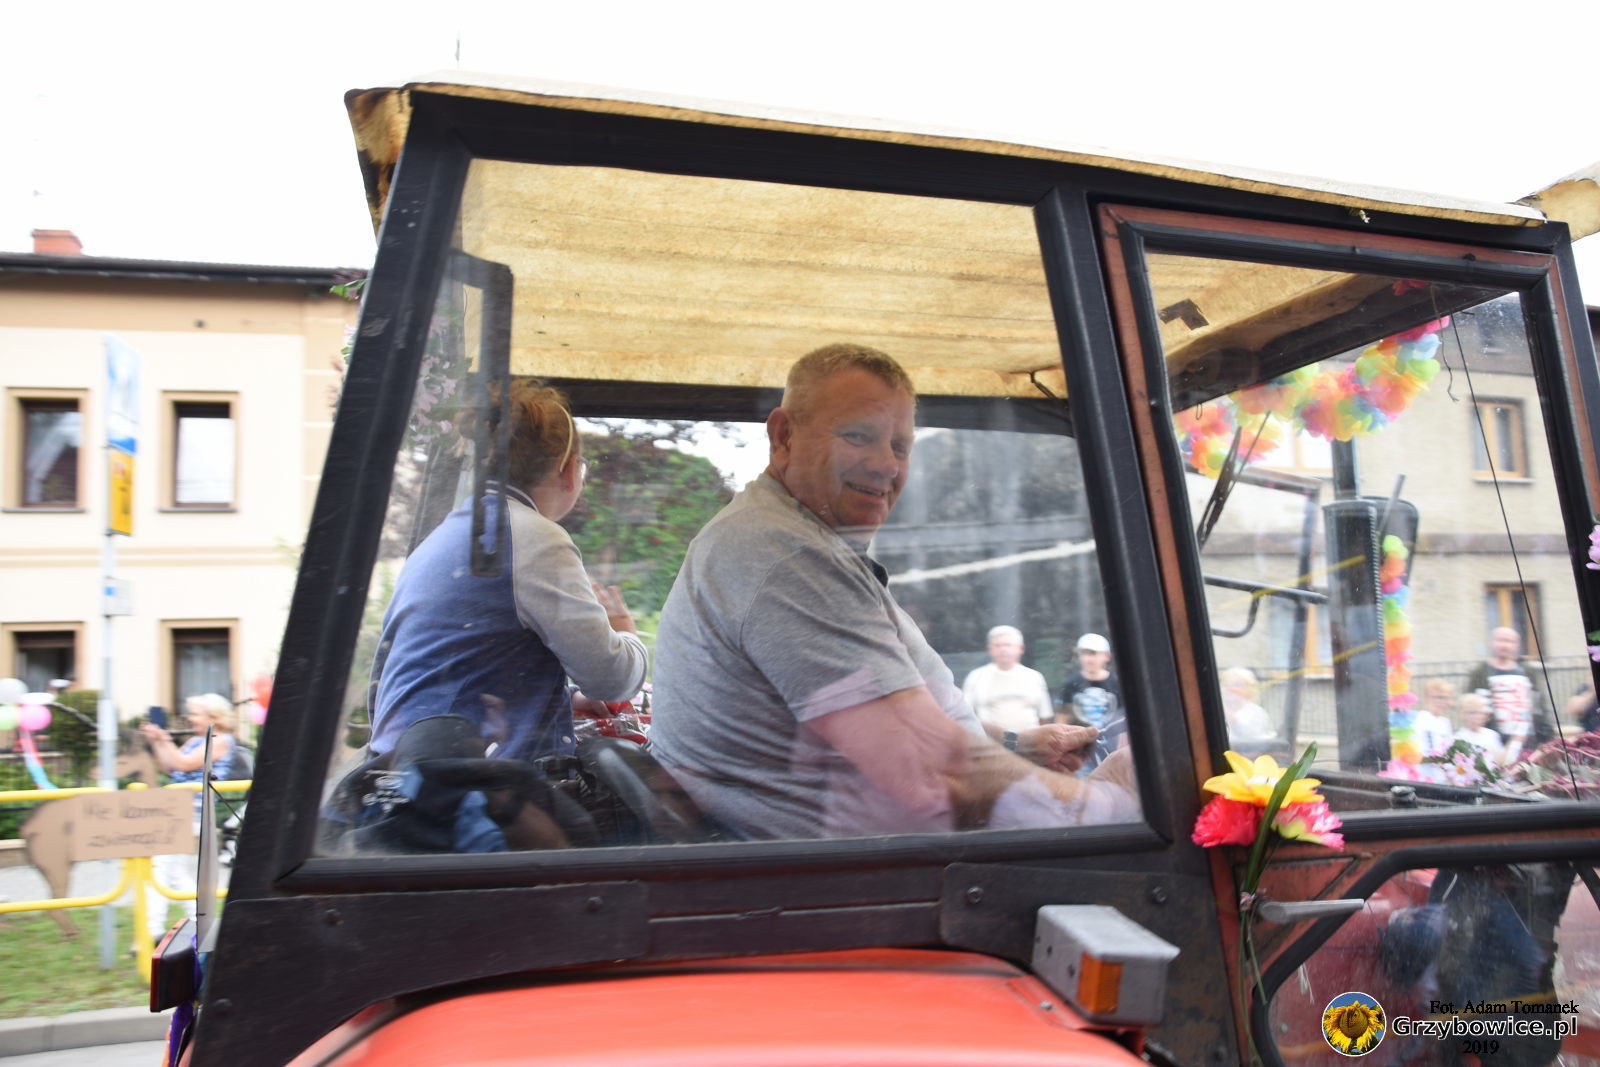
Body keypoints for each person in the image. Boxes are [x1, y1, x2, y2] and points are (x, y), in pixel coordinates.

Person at [651, 343, 1137, 840]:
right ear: (784, 435)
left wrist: (1017, 745)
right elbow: (929, 778)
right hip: (861, 874)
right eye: (858, 436)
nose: (886, 464)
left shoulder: (797, 541)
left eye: (900, 447)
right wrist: (1109, 799)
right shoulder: (788, 558)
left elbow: (896, 719)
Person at [368, 381, 646, 763]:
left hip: (418, 762)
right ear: (569, 470)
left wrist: (563, 698)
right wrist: (625, 635)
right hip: (463, 781)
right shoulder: (534, 539)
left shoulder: (451, 533)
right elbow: (611, 678)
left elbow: (472, 670)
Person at [138, 693, 236, 942]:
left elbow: (183, 764)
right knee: (174, 870)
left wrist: (165, 740)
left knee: (160, 868)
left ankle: (151, 931)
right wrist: (158, 742)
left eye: (195, 714)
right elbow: (169, 767)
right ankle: (200, 923)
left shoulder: (220, 740)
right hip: (177, 808)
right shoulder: (196, 740)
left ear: (214, 718)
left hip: (191, 811)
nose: (190, 718)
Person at [1464, 627, 1555, 764]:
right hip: (1493, 743)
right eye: (1501, 640)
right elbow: (1470, 705)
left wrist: (1547, 738)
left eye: (1509, 641)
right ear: (1492, 643)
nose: (1504, 645)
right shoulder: (1480, 672)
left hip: (1527, 743)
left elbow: (1538, 705)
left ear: (1517, 646)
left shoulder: (1527, 671)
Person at [961, 626, 1054, 733]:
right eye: (997, 645)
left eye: (1008, 645)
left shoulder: (1035, 677)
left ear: (1021, 649)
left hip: (1030, 742)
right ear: (990, 649)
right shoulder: (976, 677)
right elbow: (964, 715)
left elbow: (1045, 716)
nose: (1003, 649)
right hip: (989, 742)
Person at [1057, 633, 1122, 731]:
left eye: (1093, 654)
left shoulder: (1117, 683)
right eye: (1084, 653)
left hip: (1112, 737)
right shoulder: (1071, 683)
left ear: (1107, 656)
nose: (1088, 659)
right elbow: (1062, 718)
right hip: (1079, 738)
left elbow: (1123, 717)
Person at [1220, 667, 1273, 743]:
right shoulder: (1219, 709)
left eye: (1236, 684)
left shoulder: (1256, 712)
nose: (1230, 688)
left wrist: (1229, 715)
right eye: (1226, 684)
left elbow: (1250, 737)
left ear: (1248, 689)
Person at [1454, 691, 1502, 762]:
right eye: (1472, 713)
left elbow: (1501, 761)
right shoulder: (1458, 738)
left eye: (1480, 712)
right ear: (1462, 714)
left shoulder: (1492, 735)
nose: (1477, 716)